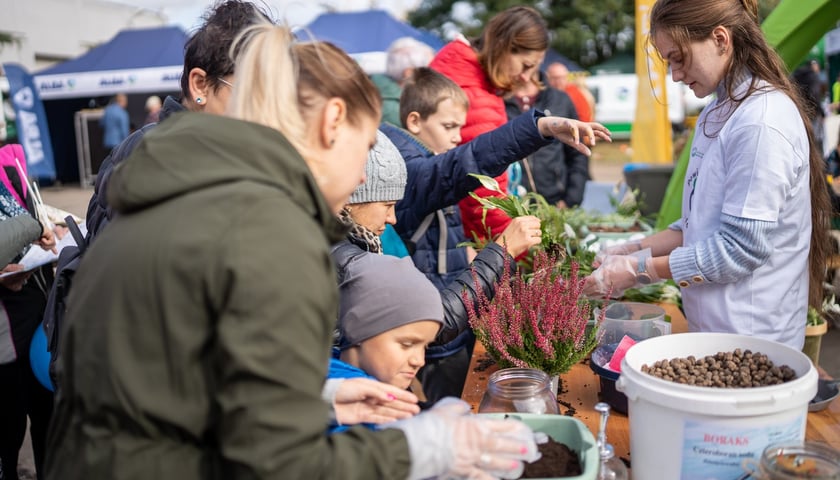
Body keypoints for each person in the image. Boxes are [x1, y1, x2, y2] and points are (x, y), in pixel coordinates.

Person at [45, 20, 540, 480]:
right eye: (365, 146)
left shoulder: (188, 189)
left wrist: (318, 399)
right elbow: (280, 464)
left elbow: (179, 372)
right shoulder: (272, 230)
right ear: (331, 121)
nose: (365, 177)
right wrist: (426, 448)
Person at [584, 0, 831, 350]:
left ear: (720, 39)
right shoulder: (717, 111)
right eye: (669, 61)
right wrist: (633, 248)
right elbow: (699, 225)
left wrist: (640, 269)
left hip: (753, 342)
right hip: (714, 331)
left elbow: (740, 248)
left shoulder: (760, 122)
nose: (676, 74)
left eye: (679, 58)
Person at [380, 67, 610, 401]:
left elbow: (438, 244)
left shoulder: (423, 159)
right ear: (414, 122)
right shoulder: (412, 171)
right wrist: (537, 128)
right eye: (449, 126)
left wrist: (471, 257)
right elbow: (456, 169)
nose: (458, 137)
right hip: (436, 335)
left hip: (451, 321)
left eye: (460, 126)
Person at [430, 5, 549, 242]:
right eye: (525, 66)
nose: (526, 78)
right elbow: (484, 193)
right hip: (463, 240)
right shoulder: (475, 94)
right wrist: (516, 251)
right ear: (504, 46)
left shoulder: (456, 65)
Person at [327, 250, 444, 433]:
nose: (419, 361)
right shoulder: (358, 414)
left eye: (425, 346)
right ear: (358, 330)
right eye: (407, 344)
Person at [0, 148, 57, 480]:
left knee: (47, 420)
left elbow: (31, 212)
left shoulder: (10, 163)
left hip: (36, 320)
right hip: (5, 341)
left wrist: (51, 229)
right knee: (8, 432)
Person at [505, 72, 590, 208]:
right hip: (510, 203)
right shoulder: (498, 99)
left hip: (554, 202)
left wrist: (572, 198)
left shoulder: (560, 100)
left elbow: (577, 152)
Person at [370, 37, 435, 127]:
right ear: (409, 72)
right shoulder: (395, 111)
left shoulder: (371, 86)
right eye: (428, 71)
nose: (433, 78)